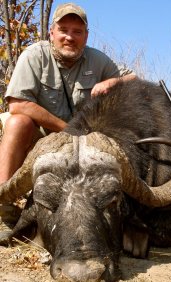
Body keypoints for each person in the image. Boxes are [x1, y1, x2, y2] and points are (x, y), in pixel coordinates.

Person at [0, 3, 136, 225]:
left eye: (77, 32)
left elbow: (133, 79)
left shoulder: (98, 59)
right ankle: (3, 207)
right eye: (63, 30)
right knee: (17, 123)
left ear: (86, 36)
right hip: (42, 140)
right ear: (51, 33)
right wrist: (67, 130)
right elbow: (18, 104)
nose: (70, 37)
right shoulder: (34, 55)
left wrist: (112, 81)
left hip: (83, 144)